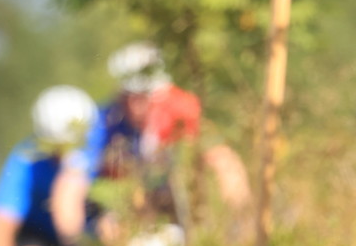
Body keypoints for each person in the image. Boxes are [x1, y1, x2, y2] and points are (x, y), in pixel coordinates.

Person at [0, 86, 110, 246]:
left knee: (113, 232)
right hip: (40, 237)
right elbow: (0, 225)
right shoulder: (25, 160)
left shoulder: (104, 142)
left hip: (91, 233)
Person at [94, 43, 251, 222]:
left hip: (183, 197)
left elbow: (223, 160)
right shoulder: (109, 119)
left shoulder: (180, 108)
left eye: (142, 96)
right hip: (137, 205)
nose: (135, 106)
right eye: (130, 96)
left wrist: (241, 217)